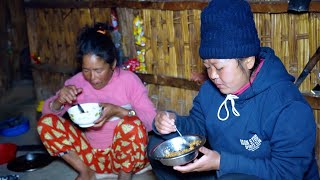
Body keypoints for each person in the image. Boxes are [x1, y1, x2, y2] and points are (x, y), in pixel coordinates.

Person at [147, 0, 319, 179]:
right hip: (221, 167)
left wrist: (223, 163)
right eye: (207, 66)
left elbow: (287, 172)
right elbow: (198, 125)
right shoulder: (211, 89)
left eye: (219, 67)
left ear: (249, 61)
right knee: (157, 143)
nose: (212, 75)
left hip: (265, 174)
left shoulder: (287, 105)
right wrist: (173, 122)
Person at [37, 22, 156, 180]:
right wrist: (59, 100)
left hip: (128, 160)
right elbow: (47, 114)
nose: (92, 78)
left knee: (132, 125)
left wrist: (119, 111)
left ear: (112, 64)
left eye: (98, 70)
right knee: (45, 123)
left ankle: (124, 177)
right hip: (91, 156)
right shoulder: (77, 82)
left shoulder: (129, 81)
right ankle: (86, 172)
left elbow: (151, 119)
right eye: (86, 70)